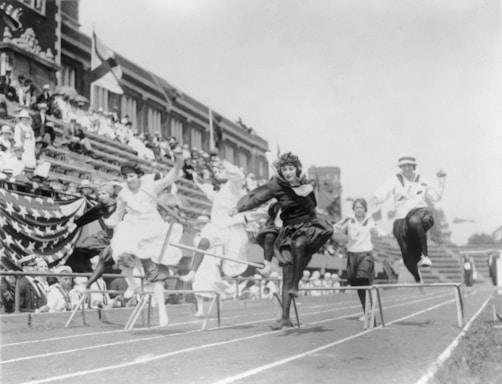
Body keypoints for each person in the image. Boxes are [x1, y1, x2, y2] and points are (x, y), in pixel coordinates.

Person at [235, 152, 334, 329]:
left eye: (291, 168)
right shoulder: (276, 187)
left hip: (309, 227)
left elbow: (302, 191)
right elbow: (258, 196)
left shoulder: (307, 182)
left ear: (297, 169)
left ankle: (296, 284)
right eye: (285, 169)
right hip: (289, 231)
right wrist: (238, 208)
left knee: (299, 244)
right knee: (286, 272)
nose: (288, 172)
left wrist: (284, 181)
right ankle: (285, 317)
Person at [108, 153, 184, 326]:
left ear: (138, 176)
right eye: (126, 177)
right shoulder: (123, 194)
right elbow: (118, 215)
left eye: (132, 176)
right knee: (119, 253)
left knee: (154, 274)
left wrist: (178, 164)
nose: (129, 180)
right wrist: (112, 222)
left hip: (151, 231)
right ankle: (132, 284)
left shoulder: (151, 186)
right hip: (133, 229)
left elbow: (169, 178)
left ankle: (162, 312)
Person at [371, 155, 446, 284]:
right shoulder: (395, 180)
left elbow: (436, 197)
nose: (406, 168)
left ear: (413, 166)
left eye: (408, 165)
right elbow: (383, 192)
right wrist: (375, 198)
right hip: (402, 220)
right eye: (403, 166)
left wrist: (441, 180)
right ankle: (417, 276)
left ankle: (425, 256)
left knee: (414, 220)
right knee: (408, 260)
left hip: (421, 214)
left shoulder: (422, 180)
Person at [333, 198, 386, 317]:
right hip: (352, 255)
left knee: (364, 280)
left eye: (361, 207)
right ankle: (366, 312)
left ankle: (371, 312)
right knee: (358, 285)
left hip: (365, 254)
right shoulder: (349, 218)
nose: (359, 210)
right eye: (357, 207)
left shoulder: (370, 219)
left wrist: (382, 233)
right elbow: (338, 226)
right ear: (354, 209)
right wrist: (330, 229)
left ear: (365, 209)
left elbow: (376, 227)